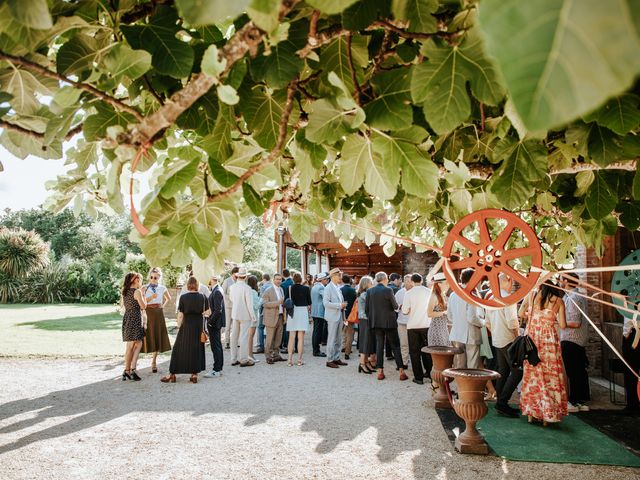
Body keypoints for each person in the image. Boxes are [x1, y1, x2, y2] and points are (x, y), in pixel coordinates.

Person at [519, 283, 568, 425]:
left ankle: (531, 413)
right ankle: (548, 415)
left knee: (533, 375)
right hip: (549, 342)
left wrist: (532, 316)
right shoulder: (559, 301)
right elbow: (563, 325)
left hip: (533, 340)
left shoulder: (532, 295)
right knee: (550, 376)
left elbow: (521, 313)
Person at [161, 276, 210, 384]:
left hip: (186, 324)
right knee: (196, 349)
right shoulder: (203, 297)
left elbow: (180, 315)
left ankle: (172, 374)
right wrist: (201, 314)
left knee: (179, 348)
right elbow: (208, 312)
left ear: (188, 285)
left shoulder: (183, 297)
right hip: (198, 326)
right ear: (197, 285)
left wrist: (179, 326)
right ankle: (194, 374)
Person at [486, 274, 521, 417]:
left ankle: (500, 402)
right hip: (508, 339)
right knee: (518, 371)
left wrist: (495, 331)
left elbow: (487, 321)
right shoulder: (508, 298)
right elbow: (512, 321)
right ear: (509, 280)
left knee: (504, 370)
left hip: (497, 338)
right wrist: (518, 338)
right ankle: (502, 402)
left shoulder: (491, 298)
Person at [366, 271, 408, 381]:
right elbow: (395, 306)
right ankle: (401, 371)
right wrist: (400, 306)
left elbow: (367, 309)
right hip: (389, 322)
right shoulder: (388, 290)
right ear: (385, 279)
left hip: (376, 322)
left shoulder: (370, 291)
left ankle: (380, 372)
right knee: (395, 346)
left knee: (379, 346)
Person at [559, 273, 591, 413]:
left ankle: (574, 401)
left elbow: (575, 323)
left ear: (566, 281)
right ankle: (580, 401)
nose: (559, 281)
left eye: (560, 278)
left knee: (573, 372)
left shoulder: (573, 298)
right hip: (576, 339)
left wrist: (558, 322)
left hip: (572, 339)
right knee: (578, 371)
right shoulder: (574, 296)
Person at [449, 268, 483, 369]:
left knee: (459, 366)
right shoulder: (471, 294)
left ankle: (460, 385)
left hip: (456, 333)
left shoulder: (453, 294)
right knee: (472, 367)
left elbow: (450, 317)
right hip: (471, 334)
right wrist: (483, 322)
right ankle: (470, 385)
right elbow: (472, 318)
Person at [402, 273, 433, 385]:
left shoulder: (408, 293)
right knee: (427, 351)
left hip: (413, 326)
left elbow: (405, 311)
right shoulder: (429, 292)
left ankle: (418, 377)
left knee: (414, 353)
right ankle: (430, 373)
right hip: (426, 324)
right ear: (422, 280)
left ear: (412, 281)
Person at [141, 267, 172, 373]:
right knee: (147, 334)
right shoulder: (144, 288)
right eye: (152, 277)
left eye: (156, 278)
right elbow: (141, 301)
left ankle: (154, 362)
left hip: (158, 312)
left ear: (159, 278)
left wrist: (162, 306)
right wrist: (151, 298)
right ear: (149, 277)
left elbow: (169, 298)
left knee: (157, 335)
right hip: (148, 312)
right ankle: (134, 362)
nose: (153, 279)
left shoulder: (162, 288)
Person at [229, 268, 258, 367]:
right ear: (245, 277)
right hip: (245, 314)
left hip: (235, 313)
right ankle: (244, 359)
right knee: (244, 337)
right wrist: (253, 316)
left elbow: (231, 299)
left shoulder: (232, 287)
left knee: (234, 336)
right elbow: (249, 304)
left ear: (237, 276)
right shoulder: (247, 288)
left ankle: (233, 359)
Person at [121, 272, 146, 381]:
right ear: (135, 280)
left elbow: (122, 305)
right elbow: (143, 306)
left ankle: (127, 370)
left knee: (129, 346)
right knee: (138, 343)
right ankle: (133, 368)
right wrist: (143, 295)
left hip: (127, 317)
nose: (140, 281)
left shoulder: (124, 291)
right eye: (139, 279)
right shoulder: (137, 292)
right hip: (135, 318)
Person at [323, 268, 348, 368]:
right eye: (339, 275)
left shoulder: (338, 287)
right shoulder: (328, 288)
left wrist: (344, 316)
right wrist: (339, 305)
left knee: (338, 338)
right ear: (333, 276)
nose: (340, 277)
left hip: (340, 316)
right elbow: (325, 303)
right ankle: (329, 360)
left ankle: (336, 358)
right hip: (332, 316)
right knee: (332, 339)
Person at [287, 272, 311, 366]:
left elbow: (286, 300)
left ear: (293, 279)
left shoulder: (289, 288)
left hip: (292, 312)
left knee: (291, 337)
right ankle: (299, 360)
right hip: (302, 311)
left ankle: (289, 360)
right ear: (301, 280)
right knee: (301, 337)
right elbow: (309, 301)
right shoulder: (306, 288)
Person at [262, 274, 286, 364]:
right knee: (269, 339)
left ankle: (276, 355)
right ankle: (268, 356)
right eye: (277, 279)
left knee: (278, 338)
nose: (279, 281)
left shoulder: (281, 289)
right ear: (273, 280)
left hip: (280, 316)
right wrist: (277, 303)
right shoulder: (268, 291)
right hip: (271, 318)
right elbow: (264, 304)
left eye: (280, 279)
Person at [204, 274, 224, 378]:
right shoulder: (216, 289)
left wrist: (210, 322)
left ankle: (216, 369)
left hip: (215, 323)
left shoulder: (217, 291)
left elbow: (218, 310)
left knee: (215, 346)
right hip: (214, 321)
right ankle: (218, 368)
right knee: (217, 345)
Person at [622, 304, 640, 415]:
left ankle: (633, 404)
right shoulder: (627, 302)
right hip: (630, 334)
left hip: (634, 333)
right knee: (630, 371)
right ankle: (632, 404)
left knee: (632, 370)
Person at [356, 276, 375, 374]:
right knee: (365, 341)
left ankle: (366, 362)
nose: (372, 284)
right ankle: (362, 363)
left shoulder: (364, 293)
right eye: (371, 282)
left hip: (364, 319)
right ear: (366, 284)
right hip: (365, 319)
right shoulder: (365, 294)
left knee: (368, 341)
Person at [427, 273, 451, 347]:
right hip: (436, 330)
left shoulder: (442, 295)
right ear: (439, 284)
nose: (448, 285)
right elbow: (429, 313)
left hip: (443, 329)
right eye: (446, 283)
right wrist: (444, 312)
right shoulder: (434, 296)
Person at [395, 274, 413, 369]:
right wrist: (400, 307)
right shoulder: (399, 293)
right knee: (403, 343)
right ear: (404, 282)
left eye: (410, 281)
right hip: (402, 322)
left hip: (414, 323)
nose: (408, 283)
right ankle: (404, 362)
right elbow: (394, 307)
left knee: (413, 345)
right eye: (407, 281)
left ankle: (414, 362)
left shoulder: (415, 292)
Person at [311, 272, 329, 357]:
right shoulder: (321, 288)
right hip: (319, 312)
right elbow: (326, 298)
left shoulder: (315, 286)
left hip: (315, 311)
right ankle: (316, 350)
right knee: (317, 332)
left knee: (315, 331)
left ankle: (315, 349)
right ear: (323, 280)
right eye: (326, 279)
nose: (327, 281)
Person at [341, 274, 357, 360]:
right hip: (351, 314)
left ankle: (343, 346)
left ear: (342, 281)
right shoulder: (353, 290)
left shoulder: (340, 290)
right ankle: (347, 352)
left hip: (342, 314)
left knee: (343, 331)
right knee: (350, 333)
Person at [222, 266, 239, 349]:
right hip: (229, 306)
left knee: (236, 325)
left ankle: (236, 341)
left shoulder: (239, 281)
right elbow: (223, 293)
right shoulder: (227, 281)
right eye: (237, 274)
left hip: (237, 306)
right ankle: (227, 342)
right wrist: (231, 298)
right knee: (228, 325)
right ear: (233, 273)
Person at [247, 275, 262, 364]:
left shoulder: (247, 291)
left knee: (249, 337)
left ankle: (249, 354)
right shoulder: (253, 292)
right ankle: (250, 355)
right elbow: (256, 306)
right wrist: (262, 300)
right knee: (251, 337)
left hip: (247, 316)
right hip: (253, 317)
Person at [256, 273, 273, 354]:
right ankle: (270, 346)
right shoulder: (273, 286)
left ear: (264, 279)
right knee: (270, 327)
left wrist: (258, 307)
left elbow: (262, 299)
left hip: (264, 308)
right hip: (272, 308)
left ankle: (261, 346)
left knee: (260, 327)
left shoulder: (263, 287)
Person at [280, 269, 294, 353]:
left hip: (285, 306)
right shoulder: (293, 282)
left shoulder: (283, 284)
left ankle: (285, 344)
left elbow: (282, 296)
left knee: (285, 325)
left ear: (283, 275)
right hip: (293, 306)